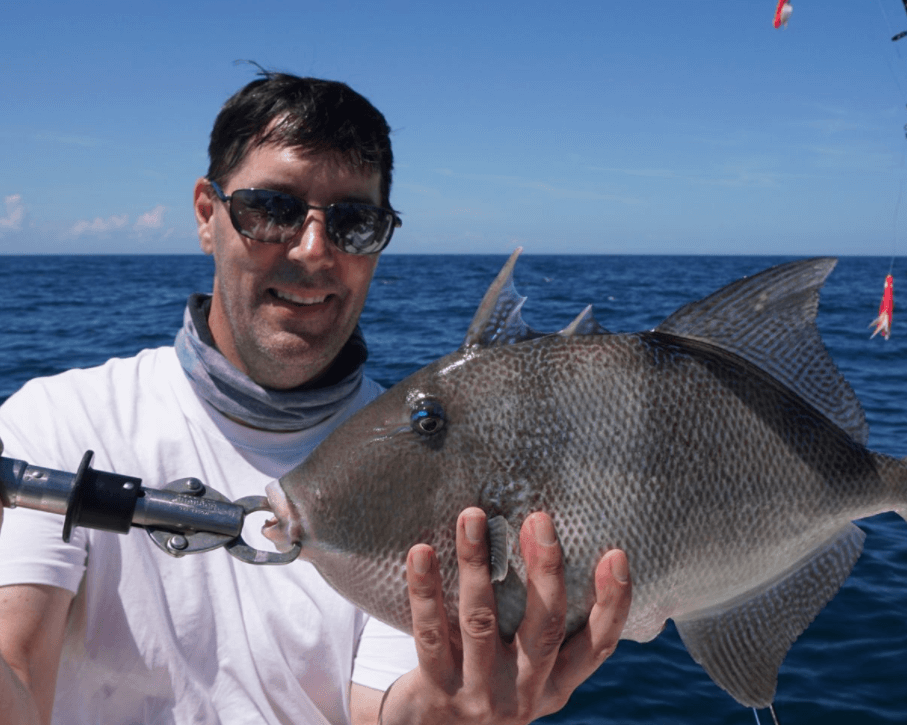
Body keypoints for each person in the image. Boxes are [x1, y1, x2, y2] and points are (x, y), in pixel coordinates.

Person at [0, 72, 632, 725]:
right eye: (271, 207)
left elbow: (389, 707)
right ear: (206, 215)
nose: (312, 249)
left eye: (354, 222)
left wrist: (455, 709)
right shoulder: (55, 423)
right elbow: (17, 673)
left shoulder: (430, 459)